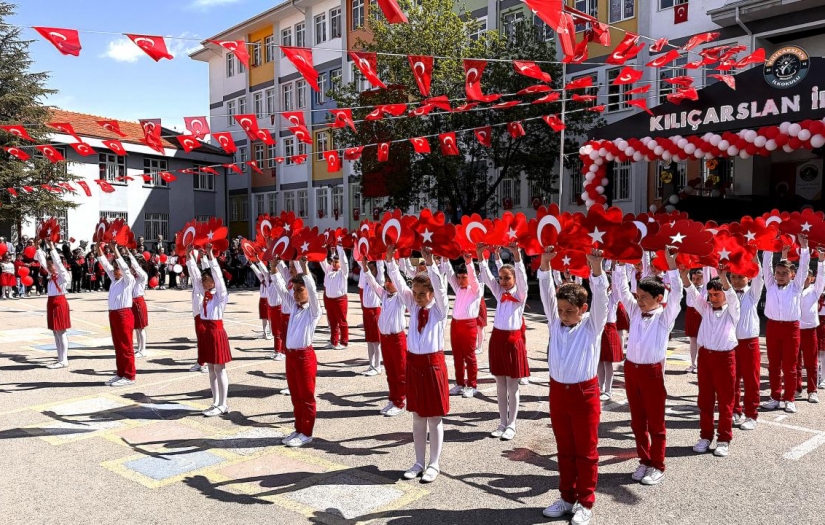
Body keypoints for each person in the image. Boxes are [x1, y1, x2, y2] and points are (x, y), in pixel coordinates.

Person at [538, 247, 607, 525]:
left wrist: (597, 269)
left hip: (584, 394)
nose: (564, 315)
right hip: (558, 392)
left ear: (583, 310)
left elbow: (601, 298)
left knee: (586, 451)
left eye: (570, 311)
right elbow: (545, 293)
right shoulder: (555, 322)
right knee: (564, 448)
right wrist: (545, 264)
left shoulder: (593, 326)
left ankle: (585, 502)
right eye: (562, 310)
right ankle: (566, 497)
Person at [613, 247, 682, 486]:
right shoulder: (634, 311)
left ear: (658, 299)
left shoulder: (665, 316)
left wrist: (672, 267)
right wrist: (620, 265)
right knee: (637, 421)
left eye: (644, 298)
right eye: (638, 296)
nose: (639, 301)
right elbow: (622, 291)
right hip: (632, 369)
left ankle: (658, 464)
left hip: (652, 372)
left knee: (655, 422)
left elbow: (677, 296)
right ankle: (644, 460)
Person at [387, 245, 449, 483]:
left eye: (422, 293)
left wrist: (431, 263)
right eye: (415, 293)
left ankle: (434, 464)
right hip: (414, 365)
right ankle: (418, 461)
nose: (417, 297)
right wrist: (391, 262)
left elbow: (442, 290)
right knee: (417, 417)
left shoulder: (439, 311)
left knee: (434, 417)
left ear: (431, 294)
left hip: (432, 366)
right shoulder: (412, 306)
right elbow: (400, 285)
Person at [683, 270, 739, 458]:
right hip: (705, 357)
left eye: (717, 294)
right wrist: (683, 274)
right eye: (711, 294)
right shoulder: (705, 308)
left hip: (725, 358)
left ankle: (724, 439)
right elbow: (691, 292)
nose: (713, 298)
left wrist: (723, 277)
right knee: (705, 400)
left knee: (725, 401)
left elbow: (731, 296)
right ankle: (705, 436)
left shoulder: (733, 309)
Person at [478, 242, 529, 441]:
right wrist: (480, 255)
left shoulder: (520, 294)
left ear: (514, 278)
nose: (503, 281)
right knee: (500, 384)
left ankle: (512, 424)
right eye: (501, 278)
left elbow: (523, 278)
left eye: (507, 278)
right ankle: (501, 422)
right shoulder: (499, 293)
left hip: (513, 340)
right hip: (498, 339)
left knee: (512, 386)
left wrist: (517, 256)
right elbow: (488, 278)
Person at [271, 256, 321, 447]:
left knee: (306, 396)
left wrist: (305, 268)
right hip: (291, 356)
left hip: (304, 357)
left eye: (300, 291)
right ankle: (299, 428)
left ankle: (307, 432)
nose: (296, 294)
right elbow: (282, 291)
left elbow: (314, 293)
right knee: (295, 394)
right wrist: (274, 269)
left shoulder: (313, 311)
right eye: (296, 290)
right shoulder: (293, 307)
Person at [762, 235, 810, 414]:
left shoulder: (796, 287)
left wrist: (804, 247)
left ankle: (789, 398)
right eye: (778, 273)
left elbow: (804, 267)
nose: (780, 276)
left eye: (784, 274)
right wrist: (767, 245)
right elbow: (766, 265)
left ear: (792, 275)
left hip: (791, 329)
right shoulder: (770, 284)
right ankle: (775, 397)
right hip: (773, 327)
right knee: (774, 364)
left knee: (790, 366)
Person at [187, 243, 232, 416]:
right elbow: (194, 274)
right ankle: (215, 402)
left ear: (212, 281)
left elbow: (219, 278)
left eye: (206, 280)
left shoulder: (220, 296)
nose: (202, 282)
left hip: (216, 332)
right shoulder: (204, 294)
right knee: (212, 369)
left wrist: (211, 256)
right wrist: (189, 255)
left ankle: (223, 403)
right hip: (207, 333)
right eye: (203, 280)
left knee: (220, 369)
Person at [363, 255, 408, 416]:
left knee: (400, 371)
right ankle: (393, 398)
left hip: (397, 339)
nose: (387, 283)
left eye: (391, 281)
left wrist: (390, 263)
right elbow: (373, 283)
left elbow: (401, 284)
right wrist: (365, 268)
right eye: (387, 281)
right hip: (386, 339)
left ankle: (400, 401)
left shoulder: (402, 297)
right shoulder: (383, 295)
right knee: (390, 370)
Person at [729, 253, 764, 431]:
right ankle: (736, 410)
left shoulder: (753, 293)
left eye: (740, 277)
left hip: (749, 342)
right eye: (733, 277)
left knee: (751, 380)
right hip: (730, 343)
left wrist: (754, 255)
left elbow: (759, 277)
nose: (735, 280)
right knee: (732, 379)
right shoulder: (726, 294)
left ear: (748, 277)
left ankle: (752, 414)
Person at [443, 254, 484, 398]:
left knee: (469, 356)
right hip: (455, 325)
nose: (460, 280)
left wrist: (469, 263)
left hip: (469, 325)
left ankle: (472, 385)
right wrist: (445, 258)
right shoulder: (458, 288)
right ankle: (460, 383)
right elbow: (449, 274)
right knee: (457, 356)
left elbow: (472, 277)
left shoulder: (476, 290)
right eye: (459, 277)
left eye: (463, 277)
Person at [98, 241, 136, 387]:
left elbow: (125, 269)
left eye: (117, 268)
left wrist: (115, 249)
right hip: (113, 314)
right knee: (118, 345)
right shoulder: (114, 279)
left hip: (124, 314)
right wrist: (98, 246)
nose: (115, 271)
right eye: (114, 268)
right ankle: (120, 373)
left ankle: (129, 375)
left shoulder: (128, 280)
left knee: (126, 346)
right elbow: (104, 264)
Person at [35, 241, 72, 368]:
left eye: (52, 265)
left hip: (59, 303)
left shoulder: (63, 276)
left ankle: (64, 359)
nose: (49, 266)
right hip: (51, 303)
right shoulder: (51, 275)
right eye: (49, 264)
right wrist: (37, 247)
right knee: (55, 332)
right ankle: (59, 358)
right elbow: (42, 261)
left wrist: (52, 248)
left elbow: (59, 264)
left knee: (61, 332)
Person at [797, 248, 825, 403]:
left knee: (811, 361)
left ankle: (812, 390)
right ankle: (796, 388)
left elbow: (822, 277)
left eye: (807, 276)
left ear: (812, 278)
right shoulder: (793, 289)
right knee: (795, 362)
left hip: (809, 330)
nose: (804, 278)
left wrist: (821, 260)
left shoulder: (815, 290)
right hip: (794, 330)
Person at [598, 271, 623, 401]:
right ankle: (600, 388)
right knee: (599, 361)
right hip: (598, 329)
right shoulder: (598, 295)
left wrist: (616, 267)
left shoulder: (612, 296)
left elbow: (619, 286)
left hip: (609, 328)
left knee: (608, 362)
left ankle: (608, 390)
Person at [358, 259, 384, 376]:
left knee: (376, 341)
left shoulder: (379, 281)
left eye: (372, 269)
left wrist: (379, 257)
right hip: (367, 312)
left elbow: (380, 267)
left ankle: (378, 366)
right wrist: (364, 262)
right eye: (368, 268)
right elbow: (363, 267)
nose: (369, 270)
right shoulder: (365, 281)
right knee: (369, 341)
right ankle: (371, 364)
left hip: (375, 312)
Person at [321, 244, 349, 349]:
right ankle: (333, 341)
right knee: (332, 322)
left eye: (336, 262)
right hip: (330, 300)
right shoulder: (329, 271)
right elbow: (322, 261)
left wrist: (340, 249)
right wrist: (321, 248)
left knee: (342, 321)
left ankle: (344, 342)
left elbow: (344, 261)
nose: (334, 263)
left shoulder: (343, 273)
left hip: (340, 300)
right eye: (333, 262)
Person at [683, 269, 707, 374]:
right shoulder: (689, 286)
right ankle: (693, 364)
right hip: (690, 313)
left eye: (698, 279)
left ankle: (700, 364)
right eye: (693, 278)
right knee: (692, 339)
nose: (695, 281)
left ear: (703, 279)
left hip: (701, 313)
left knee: (700, 340)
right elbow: (685, 277)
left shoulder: (706, 288)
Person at [127, 251, 149, 359]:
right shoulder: (132, 276)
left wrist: (131, 257)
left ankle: (143, 349)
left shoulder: (143, 275)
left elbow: (137, 268)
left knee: (141, 327)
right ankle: (139, 348)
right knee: (136, 327)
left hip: (139, 301)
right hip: (132, 301)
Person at [250, 259, 272, 340]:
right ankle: (265, 332)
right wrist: (252, 265)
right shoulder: (262, 278)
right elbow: (257, 272)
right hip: (262, 300)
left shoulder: (268, 279)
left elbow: (264, 271)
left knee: (269, 318)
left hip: (268, 300)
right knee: (264, 318)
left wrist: (259, 262)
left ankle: (270, 332)